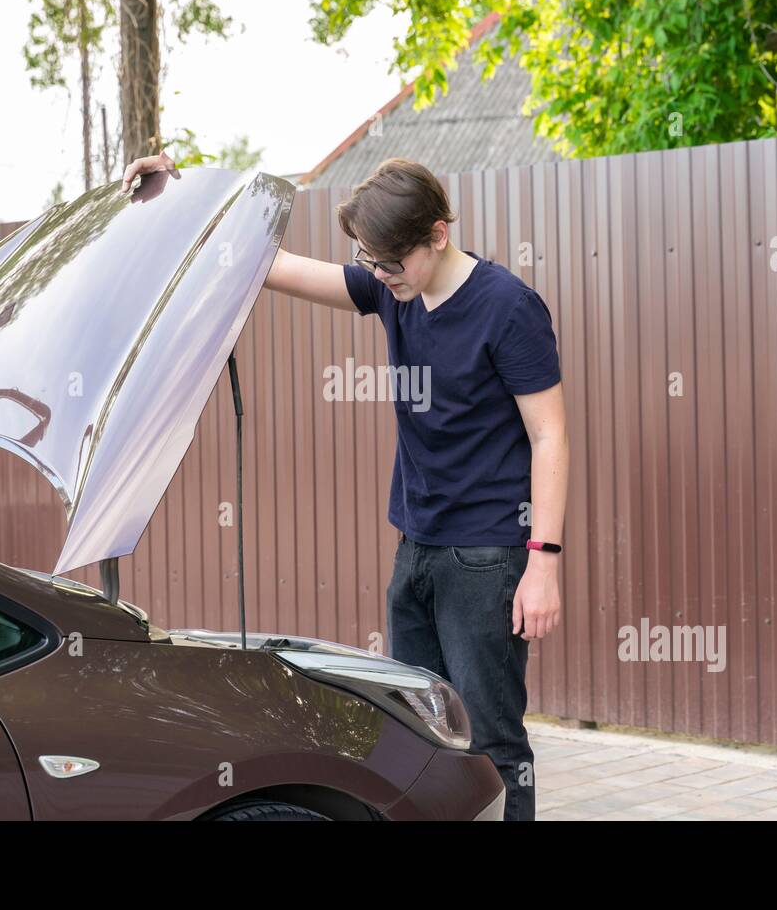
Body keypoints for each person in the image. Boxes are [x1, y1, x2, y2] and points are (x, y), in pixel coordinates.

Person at [121, 152, 569, 821]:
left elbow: (550, 435)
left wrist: (544, 564)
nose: (380, 278)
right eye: (369, 263)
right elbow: (266, 264)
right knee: (418, 731)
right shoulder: (393, 288)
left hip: (487, 557)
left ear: (437, 236)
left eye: (390, 263)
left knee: (491, 741)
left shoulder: (508, 309)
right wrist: (179, 193)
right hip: (416, 546)